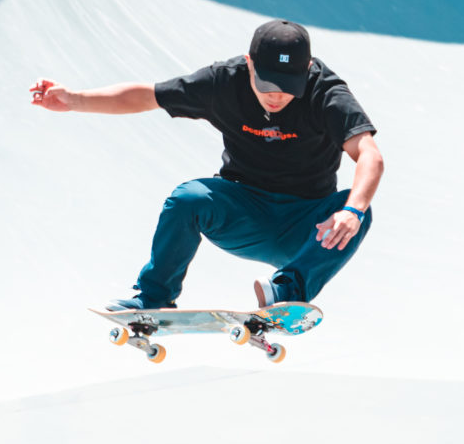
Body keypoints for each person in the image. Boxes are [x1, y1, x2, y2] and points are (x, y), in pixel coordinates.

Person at [31, 19, 383, 311]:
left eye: (288, 86)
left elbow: (369, 154)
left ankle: (287, 294)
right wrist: (75, 99)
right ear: (249, 63)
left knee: (357, 207)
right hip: (244, 212)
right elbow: (147, 96)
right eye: (266, 84)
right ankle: (154, 298)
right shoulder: (223, 81)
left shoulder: (327, 93)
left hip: (307, 227)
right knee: (187, 199)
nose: (276, 95)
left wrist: (353, 210)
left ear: (306, 69)